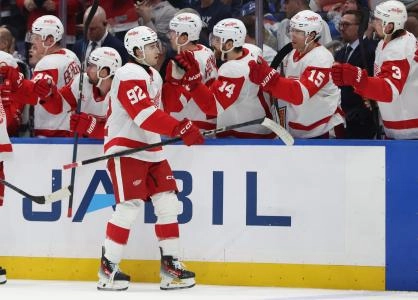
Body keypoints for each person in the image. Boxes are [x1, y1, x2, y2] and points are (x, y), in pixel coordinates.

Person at [97, 25, 203, 291]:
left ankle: (171, 267)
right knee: (129, 206)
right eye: (151, 45)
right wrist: (180, 128)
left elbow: (166, 108)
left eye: (157, 44)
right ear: (135, 51)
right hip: (126, 148)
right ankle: (108, 268)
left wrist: (179, 82)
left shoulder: (153, 74)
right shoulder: (128, 73)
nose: (158, 49)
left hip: (151, 147)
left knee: (168, 202)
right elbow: (143, 114)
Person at [248, 10, 345, 138]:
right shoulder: (293, 53)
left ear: (311, 35)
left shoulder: (321, 59)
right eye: (292, 30)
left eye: (298, 32)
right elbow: (285, 90)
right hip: (300, 128)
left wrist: (270, 79)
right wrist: (265, 83)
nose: (292, 35)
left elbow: (299, 94)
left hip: (324, 128)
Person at [331, 0, 418, 139]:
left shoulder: (400, 49)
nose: (372, 23)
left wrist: (357, 78)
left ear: (389, 26)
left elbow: (389, 90)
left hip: (409, 131)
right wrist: (372, 96)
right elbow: (384, 81)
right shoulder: (385, 43)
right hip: (394, 127)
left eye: (378, 20)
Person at [178, 18, 276, 138]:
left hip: (247, 135)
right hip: (260, 126)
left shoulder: (233, 70)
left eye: (218, 40)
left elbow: (212, 108)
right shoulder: (251, 50)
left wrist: (194, 82)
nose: (213, 43)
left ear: (229, 44)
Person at [25, 15, 80, 137]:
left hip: (50, 131)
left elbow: (30, 96)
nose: (32, 41)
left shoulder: (46, 64)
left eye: (36, 37)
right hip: (72, 128)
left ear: (49, 40)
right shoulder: (71, 55)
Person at [162, 12, 218, 130]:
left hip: (189, 126)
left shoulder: (181, 64)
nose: (169, 36)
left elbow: (174, 106)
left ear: (184, 38)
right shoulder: (206, 50)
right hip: (210, 121)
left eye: (173, 33)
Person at [334, 10, 378, 139]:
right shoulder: (340, 52)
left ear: (360, 27)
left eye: (346, 25)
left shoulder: (372, 50)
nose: (342, 29)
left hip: (363, 119)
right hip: (342, 118)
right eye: (340, 25)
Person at [60, 47, 122, 138]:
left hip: (106, 150)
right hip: (82, 147)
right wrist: (49, 94)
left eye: (91, 66)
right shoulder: (82, 81)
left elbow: (118, 132)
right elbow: (59, 104)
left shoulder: (120, 93)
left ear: (104, 72)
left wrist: (90, 126)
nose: (86, 70)